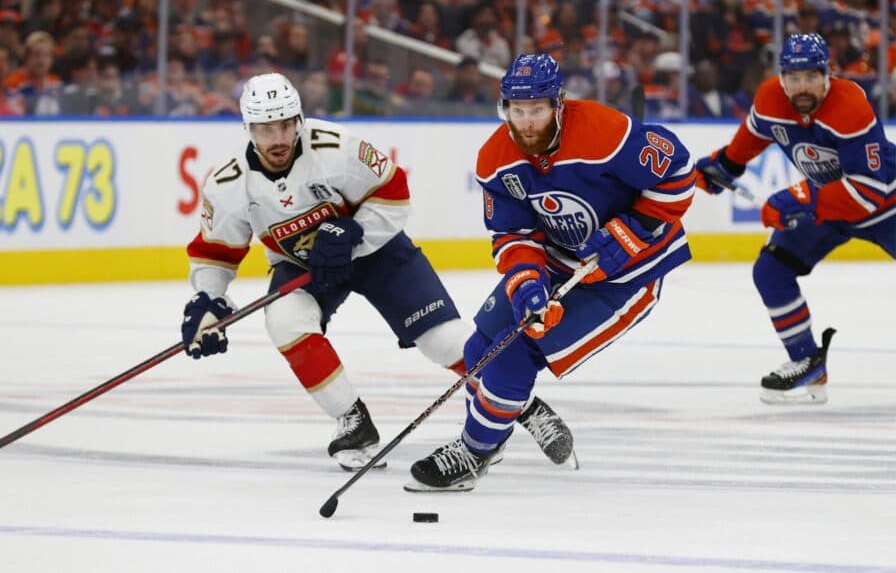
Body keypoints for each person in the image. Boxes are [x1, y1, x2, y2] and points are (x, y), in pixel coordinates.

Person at [181, 72, 566, 470]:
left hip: (379, 252)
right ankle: (353, 420)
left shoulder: (334, 147)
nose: (277, 139)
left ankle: (523, 406)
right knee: (285, 321)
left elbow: (394, 192)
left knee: (444, 341)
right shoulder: (228, 185)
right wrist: (209, 302)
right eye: (264, 129)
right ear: (247, 128)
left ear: (298, 120)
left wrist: (356, 232)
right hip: (304, 267)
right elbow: (215, 254)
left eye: (284, 125)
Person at [406, 53, 696, 492]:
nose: (525, 122)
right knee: (481, 345)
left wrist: (631, 232)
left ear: (558, 104)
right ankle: (509, 420)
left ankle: (475, 452)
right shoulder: (496, 159)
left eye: (536, 109)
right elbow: (513, 235)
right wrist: (528, 285)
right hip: (559, 261)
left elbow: (677, 172)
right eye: (516, 110)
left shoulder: (605, 132)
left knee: (515, 353)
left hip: (626, 277)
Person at [694, 33, 895, 404]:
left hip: (886, 204)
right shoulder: (772, 97)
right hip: (831, 207)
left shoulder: (850, 105)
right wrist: (722, 167)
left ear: (827, 75)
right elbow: (752, 137)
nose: (802, 87)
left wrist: (794, 197)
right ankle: (807, 363)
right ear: (782, 77)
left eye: (810, 77)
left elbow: (869, 192)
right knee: (771, 270)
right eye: (794, 77)